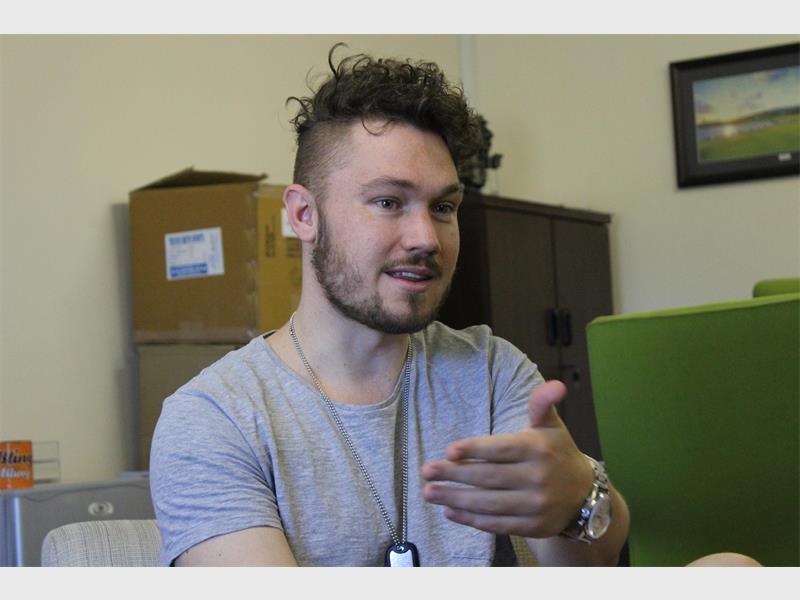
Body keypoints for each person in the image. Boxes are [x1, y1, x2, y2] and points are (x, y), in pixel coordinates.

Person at [149, 45, 752, 568]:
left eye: (443, 207)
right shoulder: (214, 418)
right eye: (389, 202)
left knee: (734, 570)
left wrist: (578, 501)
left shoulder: (489, 370)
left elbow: (584, 572)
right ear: (304, 215)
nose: (426, 238)